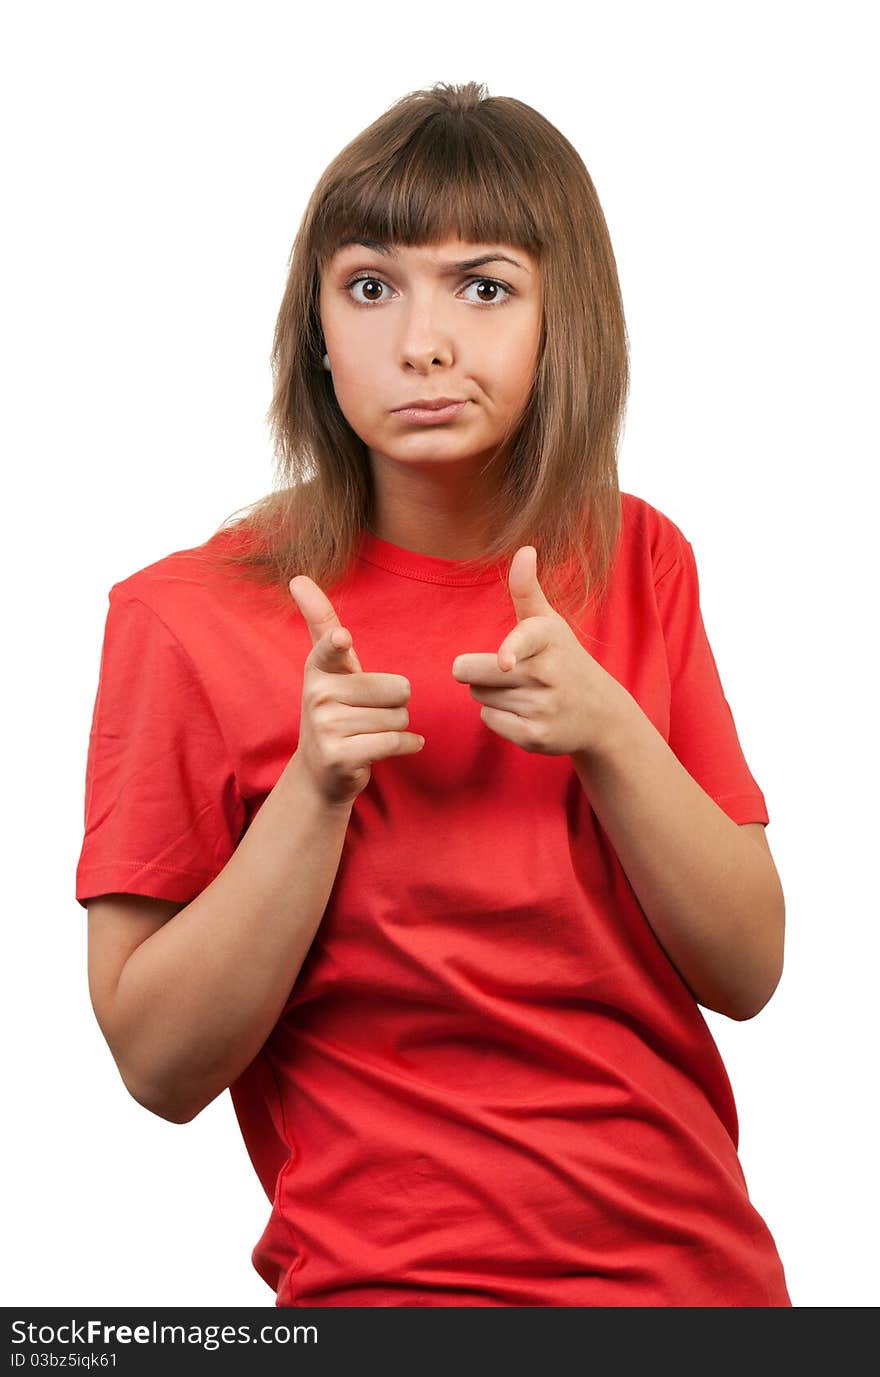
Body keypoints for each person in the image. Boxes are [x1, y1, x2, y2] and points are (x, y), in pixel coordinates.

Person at [75, 80, 792, 1307]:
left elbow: (747, 969)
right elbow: (158, 1065)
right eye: (370, 285)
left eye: (483, 286)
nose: (423, 343)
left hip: (698, 1285)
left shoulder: (639, 558)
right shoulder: (182, 617)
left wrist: (610, 732)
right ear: (314, 325)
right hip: (385, 1297)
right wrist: (314, 790)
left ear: (563, 319)